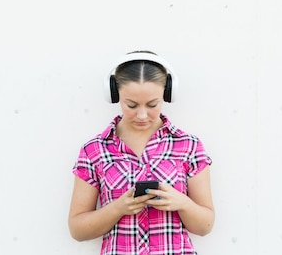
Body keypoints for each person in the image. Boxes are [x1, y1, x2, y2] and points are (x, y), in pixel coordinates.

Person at [68, 50, 215, 254]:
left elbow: (205, 226)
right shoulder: (94, 150)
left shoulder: (188, 145)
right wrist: (118, 208)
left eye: (152, 104)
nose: (142, 115)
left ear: (167, 93)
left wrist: (182, 203)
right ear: (114, 94)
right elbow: (77, 230)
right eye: (131, 105)